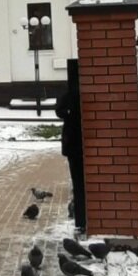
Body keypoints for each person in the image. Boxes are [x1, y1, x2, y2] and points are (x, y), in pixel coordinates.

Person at [55, 59, 86, 233]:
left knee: (78, 178)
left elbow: (59, 110)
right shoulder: (72, 94)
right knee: (79, 178)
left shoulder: (70, 93)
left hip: (74, 141)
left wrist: (67, 114)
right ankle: (80, 212)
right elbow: (59, 110)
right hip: (77, 141)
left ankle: (81, 213)